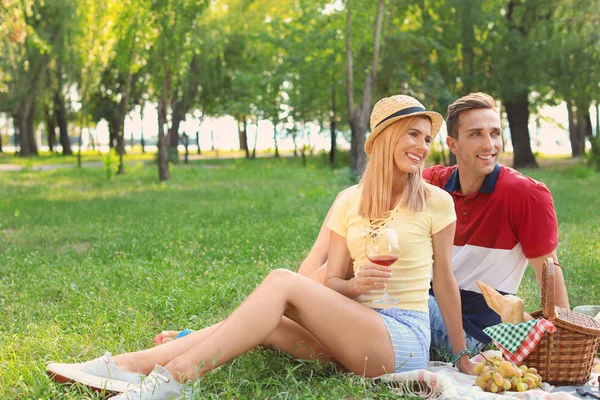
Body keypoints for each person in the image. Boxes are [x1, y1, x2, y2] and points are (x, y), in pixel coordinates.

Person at [46, 95, 476, 399]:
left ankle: (172, 380)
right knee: (267, 318)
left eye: (426, 138)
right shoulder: (350, 201)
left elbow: (445, 281)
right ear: (386, 138)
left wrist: (460, 356)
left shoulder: (435, 202)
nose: (422, 147)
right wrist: (355, 284)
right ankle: (123, 366)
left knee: (281, 284)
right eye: (412, 136)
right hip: (352, 333)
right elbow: (330, 283)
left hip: (400, 337)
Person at [296, 92, 570, 361]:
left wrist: (567, 338)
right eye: (476, 134)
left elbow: (549, 272)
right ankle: (296, 301)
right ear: (453, 144)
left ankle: (294, 306)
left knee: (361, 278)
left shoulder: (526, 195)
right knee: (351, 230)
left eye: (495, 133)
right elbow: (359, 198)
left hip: (469, 329)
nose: (489, 144)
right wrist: (319, 254)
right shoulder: (432, 183)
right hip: (422, 302)